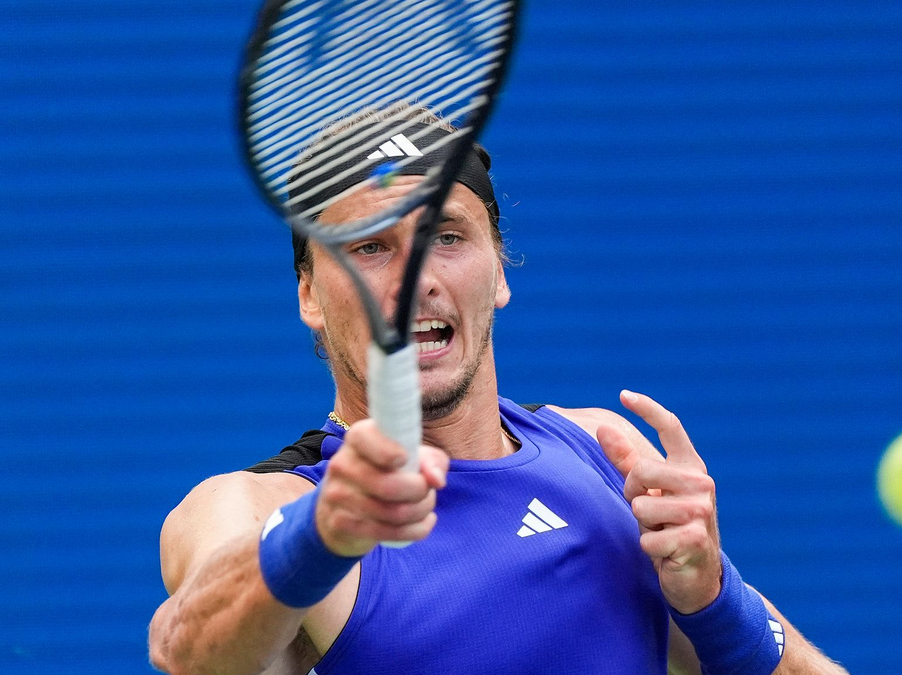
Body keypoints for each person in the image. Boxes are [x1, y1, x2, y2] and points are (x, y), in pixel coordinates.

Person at [148, 106, 848, 675]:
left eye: (447, 237)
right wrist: (322, 533)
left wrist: (716, 601)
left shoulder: (604, 451)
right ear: (310, 295)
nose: (416, 280)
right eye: (370, 246)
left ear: (500, 273)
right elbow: (186, 650)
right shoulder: (261, 505)